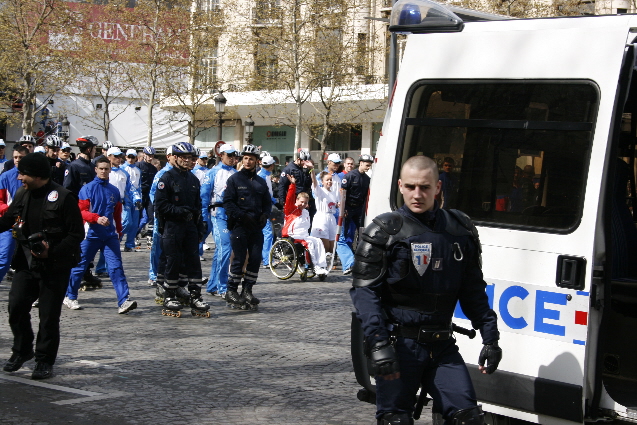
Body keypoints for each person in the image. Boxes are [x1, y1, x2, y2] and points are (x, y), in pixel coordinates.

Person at [350, 155, 502, 425]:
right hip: (398, 346)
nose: (417, 194)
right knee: (395, 420)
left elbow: (473, 291)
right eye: (410, 187)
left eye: (424, 187)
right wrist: (378, 342)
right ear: (400, 185)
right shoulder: (384, 232)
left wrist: (490, 338)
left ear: (438, 187)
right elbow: (365, 294)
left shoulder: (460, 230)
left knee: (469, 419)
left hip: (442, 345)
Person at [1, 153, 84, 379]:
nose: (19, 178)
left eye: (23, 174)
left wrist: (52, 251)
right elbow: (7, 220)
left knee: (48, 317)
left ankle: (44, 360)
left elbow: (77, 234)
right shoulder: (22, 194)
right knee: (16, 308)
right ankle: (22, 350)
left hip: (55, 266)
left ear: (38, 176)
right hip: (26, 263)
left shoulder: (63, 197)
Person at [63, 157, 138, 314]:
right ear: (95, 170)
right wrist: (96, 218)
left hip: (109, 235)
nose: (104, 171)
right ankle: (70, 296)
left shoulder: (114, 190)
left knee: (116, 268)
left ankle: (124, 301)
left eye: (106, 168)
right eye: (101, 168)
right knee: (79, 266)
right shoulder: (87, 189)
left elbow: (117, 213)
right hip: (91, 234)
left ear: (110, 169)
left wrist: (119, 231)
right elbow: (81, 212)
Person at [154, 142, 209, 317]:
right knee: (173, 261)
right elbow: (160, 205)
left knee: (194, 261)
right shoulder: (166, 178)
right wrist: (179, 211)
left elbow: (198, 206)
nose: (187, 161)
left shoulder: (193, 179)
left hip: (190, 226)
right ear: (175, 158)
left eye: (190, 158)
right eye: (184, 158)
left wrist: (200, 227)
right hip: (172, 226)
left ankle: (195, 295)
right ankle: (169, 295)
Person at [223, 144, 271, 310]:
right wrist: (241, 216)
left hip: (256, 227)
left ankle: (247, 290)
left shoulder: (261, 181)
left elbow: (267, 202)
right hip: (239, 225)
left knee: (256, 258)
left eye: (251, 159)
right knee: (239, 258)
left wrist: (265, 214)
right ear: (242, 160)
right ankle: (231, 290)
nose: (248, 161)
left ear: (257, 161)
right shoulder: (234, 179)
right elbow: (228, 203)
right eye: (245, 158)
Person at [62, 135, 102, 288]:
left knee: (88, 244)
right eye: (94, 149)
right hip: (78, 211)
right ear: (89, 149)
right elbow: (68, 189)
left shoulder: (92, 166)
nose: (95, 151)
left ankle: (86, 271)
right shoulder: (74, 166)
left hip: (91, 211)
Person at [200, 144, 238, 296]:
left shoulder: (236, 173)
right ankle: (223, 287)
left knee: (221, 251)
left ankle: (213, 285)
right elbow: (204, 196)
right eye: (228, 155)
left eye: (233, 156)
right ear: (221, 155)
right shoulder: (212, 172)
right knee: (226, 248)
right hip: (218, 213)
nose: (231, 159)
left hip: (232, 214)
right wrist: (203, 217)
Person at [282, 175, 328, 276]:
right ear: (297, 200)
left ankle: (322, 265)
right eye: (301, 202)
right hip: (292, 236)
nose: (303, 204)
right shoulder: (290, 210)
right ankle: (314, 266)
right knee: (309, 243)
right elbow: (289, 198)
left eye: (305, 203)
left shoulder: (306, 212)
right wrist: (292, 185)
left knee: (318, 241)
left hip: (304, 236)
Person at [337, 154, 374, 275]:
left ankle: (359, 259)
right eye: (367, 165)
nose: (368, 168)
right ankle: (348, 262)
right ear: (361, 163)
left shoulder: (367, 179)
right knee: (346, 234)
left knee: (363, 233)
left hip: (359, 210)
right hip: (348, 208)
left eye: (370, 166)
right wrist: (343, 209)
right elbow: (342, 192)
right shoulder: (350, 176)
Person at [0, 146, 28, 282]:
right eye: (15, 157)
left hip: (29, 226)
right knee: (3, 260)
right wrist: (10, 210)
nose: (17, 160)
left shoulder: (34, 177)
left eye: (21, 157)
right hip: (10, 225)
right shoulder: (5, 177)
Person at [147, 147, 174, 286]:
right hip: (162, 215)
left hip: (175, 215)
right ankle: (154, 273)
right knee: (158, 243)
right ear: (169, 157)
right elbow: (153, 193)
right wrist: (160, 209)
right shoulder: (162, 173)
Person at [278, 149, 315, 219]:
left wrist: (308, 172)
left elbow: (309, 184)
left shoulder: (305, 169)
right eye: (304, 162)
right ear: (298, 159)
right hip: (293, 200)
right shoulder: (288, 169)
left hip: (304, 201)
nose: (305, 164)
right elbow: (282, 186)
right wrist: (282, 201)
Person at [310, 170, 338, 255]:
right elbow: (314, 182)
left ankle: (329, 263)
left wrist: (337, 205)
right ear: (322, 182)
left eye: (330, 180)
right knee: (324, 246)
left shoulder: (333, 193)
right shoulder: (320, 191)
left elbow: (333, 204)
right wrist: (312, 171)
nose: (329, 182)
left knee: (332, 246)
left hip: (331, 219)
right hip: (322, 218)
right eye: (327, 180)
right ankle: (319, 264)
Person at [121, 149, 142, 252]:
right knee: (126, 222)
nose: (130, 159)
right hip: (125, 198)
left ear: (136, 158)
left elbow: (139, 186)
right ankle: (117, 238)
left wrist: (139, 198)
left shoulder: (138, 170)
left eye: (132, 157)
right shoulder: (122, 169)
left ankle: (129, 244)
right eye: (128, 157)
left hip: (136, 199)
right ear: (125, 157)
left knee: (134, 224)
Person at [258, 155, 277, 267]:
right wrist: (275, 201)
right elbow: (266, 195)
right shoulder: (262, 177)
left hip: (264, 208)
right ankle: (267, 260)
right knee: (268, 233)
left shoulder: (265, 175)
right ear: (271, 165)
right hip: (262, 210)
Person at [138, 146, 158, 236]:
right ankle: (136, 233)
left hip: (149, 194)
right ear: (144, 155)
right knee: (138, 215)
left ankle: (150, 234)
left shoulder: (153, 169)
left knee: (151, 215)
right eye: (149, 155)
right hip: (140, 193)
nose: (150, 157)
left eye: (152, 156)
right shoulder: (138, 166)